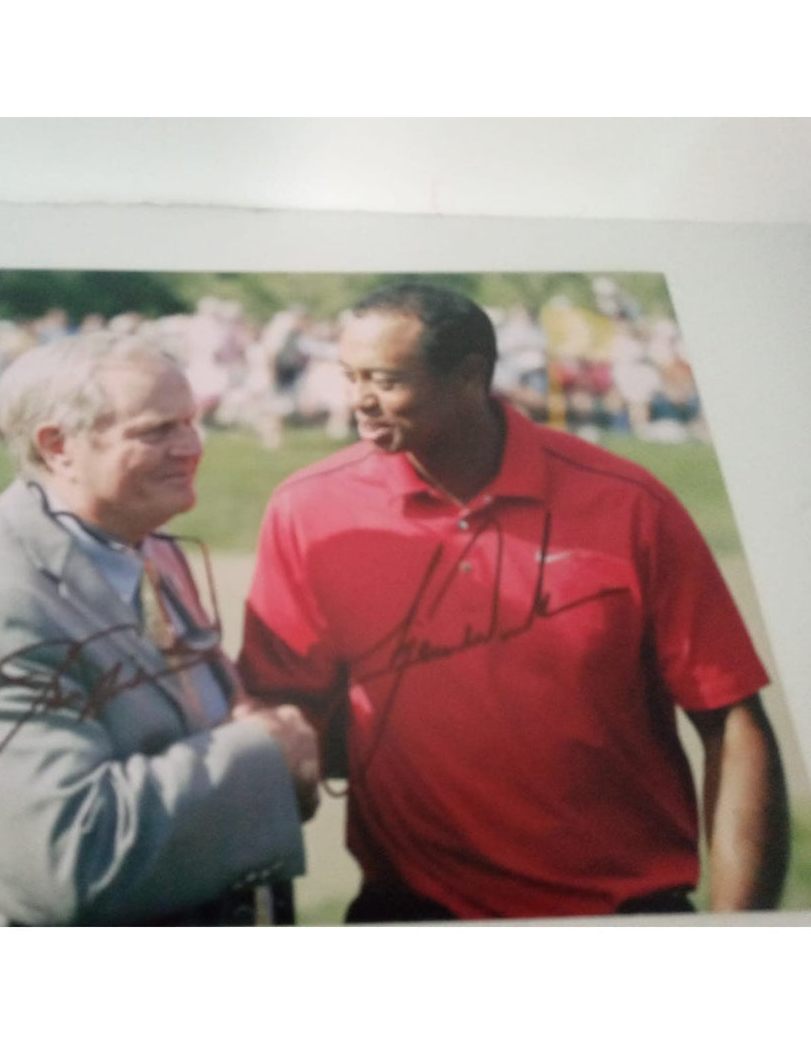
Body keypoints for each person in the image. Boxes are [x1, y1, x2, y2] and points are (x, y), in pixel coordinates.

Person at [239, 281, 790, 922]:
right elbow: (278, 701)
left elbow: (732, 720)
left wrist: (742, 928)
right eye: (349, 376)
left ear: (471, 376)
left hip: (622, 916)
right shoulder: (307, 509)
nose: (359, 402)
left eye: (386, 380)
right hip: (410, 914)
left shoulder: (630, 504)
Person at [0, 335, 318, 926]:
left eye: (192, 421)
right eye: (157, 430)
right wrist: (266, 756)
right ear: (58, 447)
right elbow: (71, 862)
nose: (191, 446)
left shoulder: (148, 545)